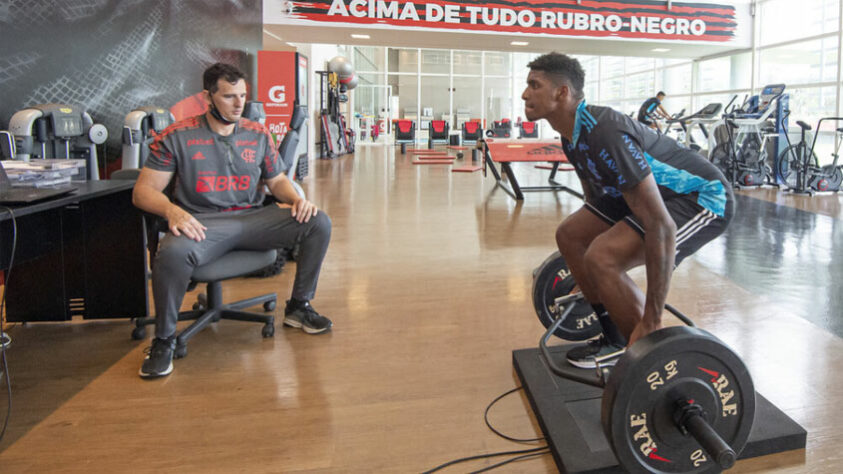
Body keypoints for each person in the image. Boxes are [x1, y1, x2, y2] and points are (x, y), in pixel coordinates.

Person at [521, 53, 733, 369]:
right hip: (652, 196)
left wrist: (652, 316)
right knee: (571, 237)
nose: (525, 94)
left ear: (562, 92)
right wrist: (587, 274)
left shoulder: (604, 132)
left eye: (534, 85)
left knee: (603, 257)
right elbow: (594, 197)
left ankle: (650, 351)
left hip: (701, 198)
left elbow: (662, 226)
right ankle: (614, 336)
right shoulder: (571, 135)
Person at [133, 63, 333, 379]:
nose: (239, 104)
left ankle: (298, 307)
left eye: (242, 95)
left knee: (318, 222)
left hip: (255, 219)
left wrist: (296, 199)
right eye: (229, 96)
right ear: (207, 97)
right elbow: (143, 192)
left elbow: (277, 180)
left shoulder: (257, 134)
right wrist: (172, 211)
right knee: (171, 253)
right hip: (204, 223)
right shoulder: (178, 136)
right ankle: (164, 340)